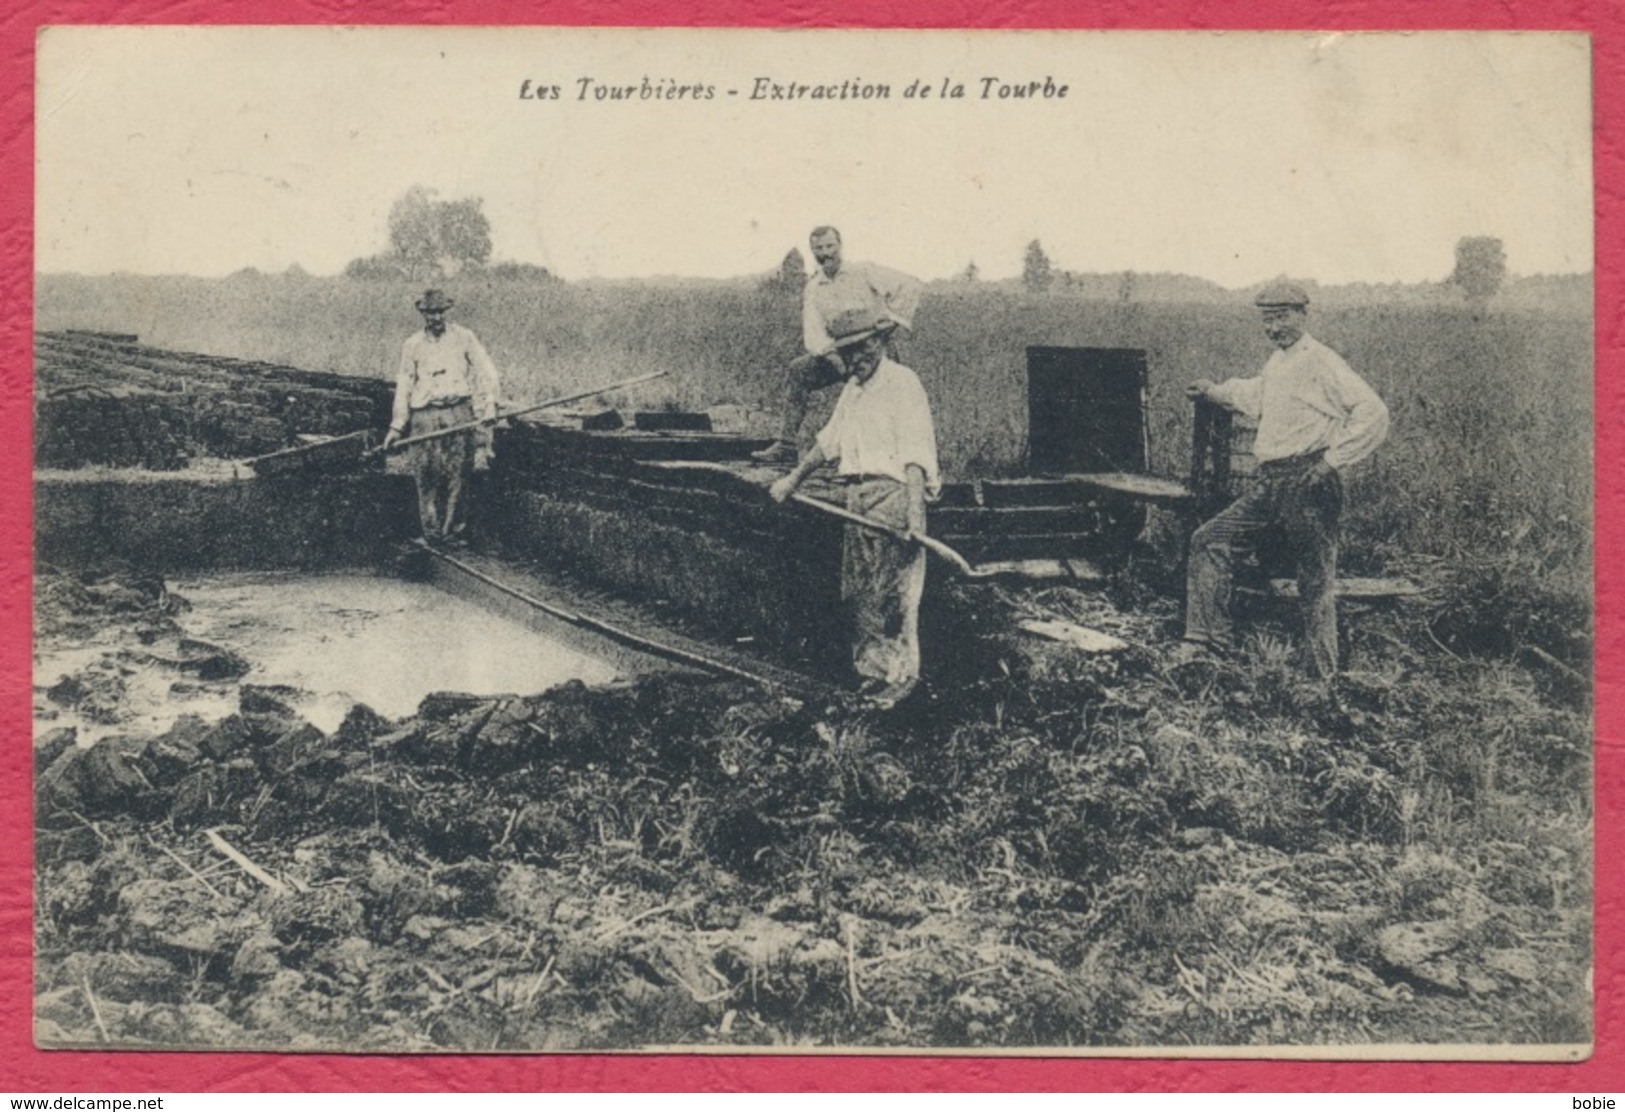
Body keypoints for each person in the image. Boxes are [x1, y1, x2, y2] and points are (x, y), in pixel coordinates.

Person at [1177, 279, 1390, 678]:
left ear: (1302, 315)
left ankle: (1321, 678)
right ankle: (1208, 640)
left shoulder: (1322, 362)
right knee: (1208, 539)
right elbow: (1257, 396)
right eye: (1267, 320)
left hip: (1309, 485)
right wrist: (1213, 391)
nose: (1273, 328)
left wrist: (1330, 462)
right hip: (1272, 485)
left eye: (1281, 318)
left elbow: (1372, 412)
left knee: (1314, 582)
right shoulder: (1280, 362)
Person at [768, 307, 941, 708]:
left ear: (881, 343)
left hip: (893, 496)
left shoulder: (903, 384)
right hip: (857, 497)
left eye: (862, 349)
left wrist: (914, 517)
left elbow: (916, 454)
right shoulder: (854, 389)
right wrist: (793, 479)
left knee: (893, 596)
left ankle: (900, 683)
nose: (854, 360)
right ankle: (871, 679)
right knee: (859, 595)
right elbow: (830, 442)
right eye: (846, 353)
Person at [752, 226, 923, 465]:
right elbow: (814, 332)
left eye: (830, 246)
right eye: (819, 249)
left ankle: (895, 458)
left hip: (875, 350)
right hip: (840, 353)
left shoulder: (863, 271)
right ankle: (787, 445)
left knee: (883, 399)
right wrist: (833, 358)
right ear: (812, 252)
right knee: (799, 370)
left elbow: (911, 285)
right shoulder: (813, 288)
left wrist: (891, 323)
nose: (825, 253)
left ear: (840, 246)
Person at [383, 289, 502, 544]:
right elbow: (405, 383)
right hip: (425, 415)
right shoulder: (412, 345)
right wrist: (397, 425)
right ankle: (432, 535)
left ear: (446, 312)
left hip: (459, 411)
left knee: (459, 473)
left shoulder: (464, 337)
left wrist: (490, 404)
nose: (435, 317)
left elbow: (485, 370)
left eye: (439, 312)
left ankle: (453, 533)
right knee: (426, 474)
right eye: (430, 313)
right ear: (423, 314)